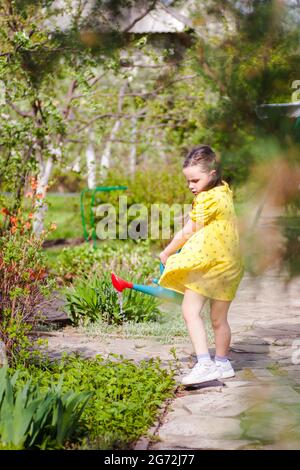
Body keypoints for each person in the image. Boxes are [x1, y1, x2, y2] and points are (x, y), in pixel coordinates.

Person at [159, 145, 244, 386]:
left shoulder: (207, 199)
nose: (191, 186)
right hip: (230, 264)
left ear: (213, 174)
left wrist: (167, 252)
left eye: (195, 180)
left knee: (190, 310)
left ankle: (205, 363)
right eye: (188, 181)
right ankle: (223, 363)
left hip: (212, 266)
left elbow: (188, 231)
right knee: (219, 319)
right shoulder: (223, 190)